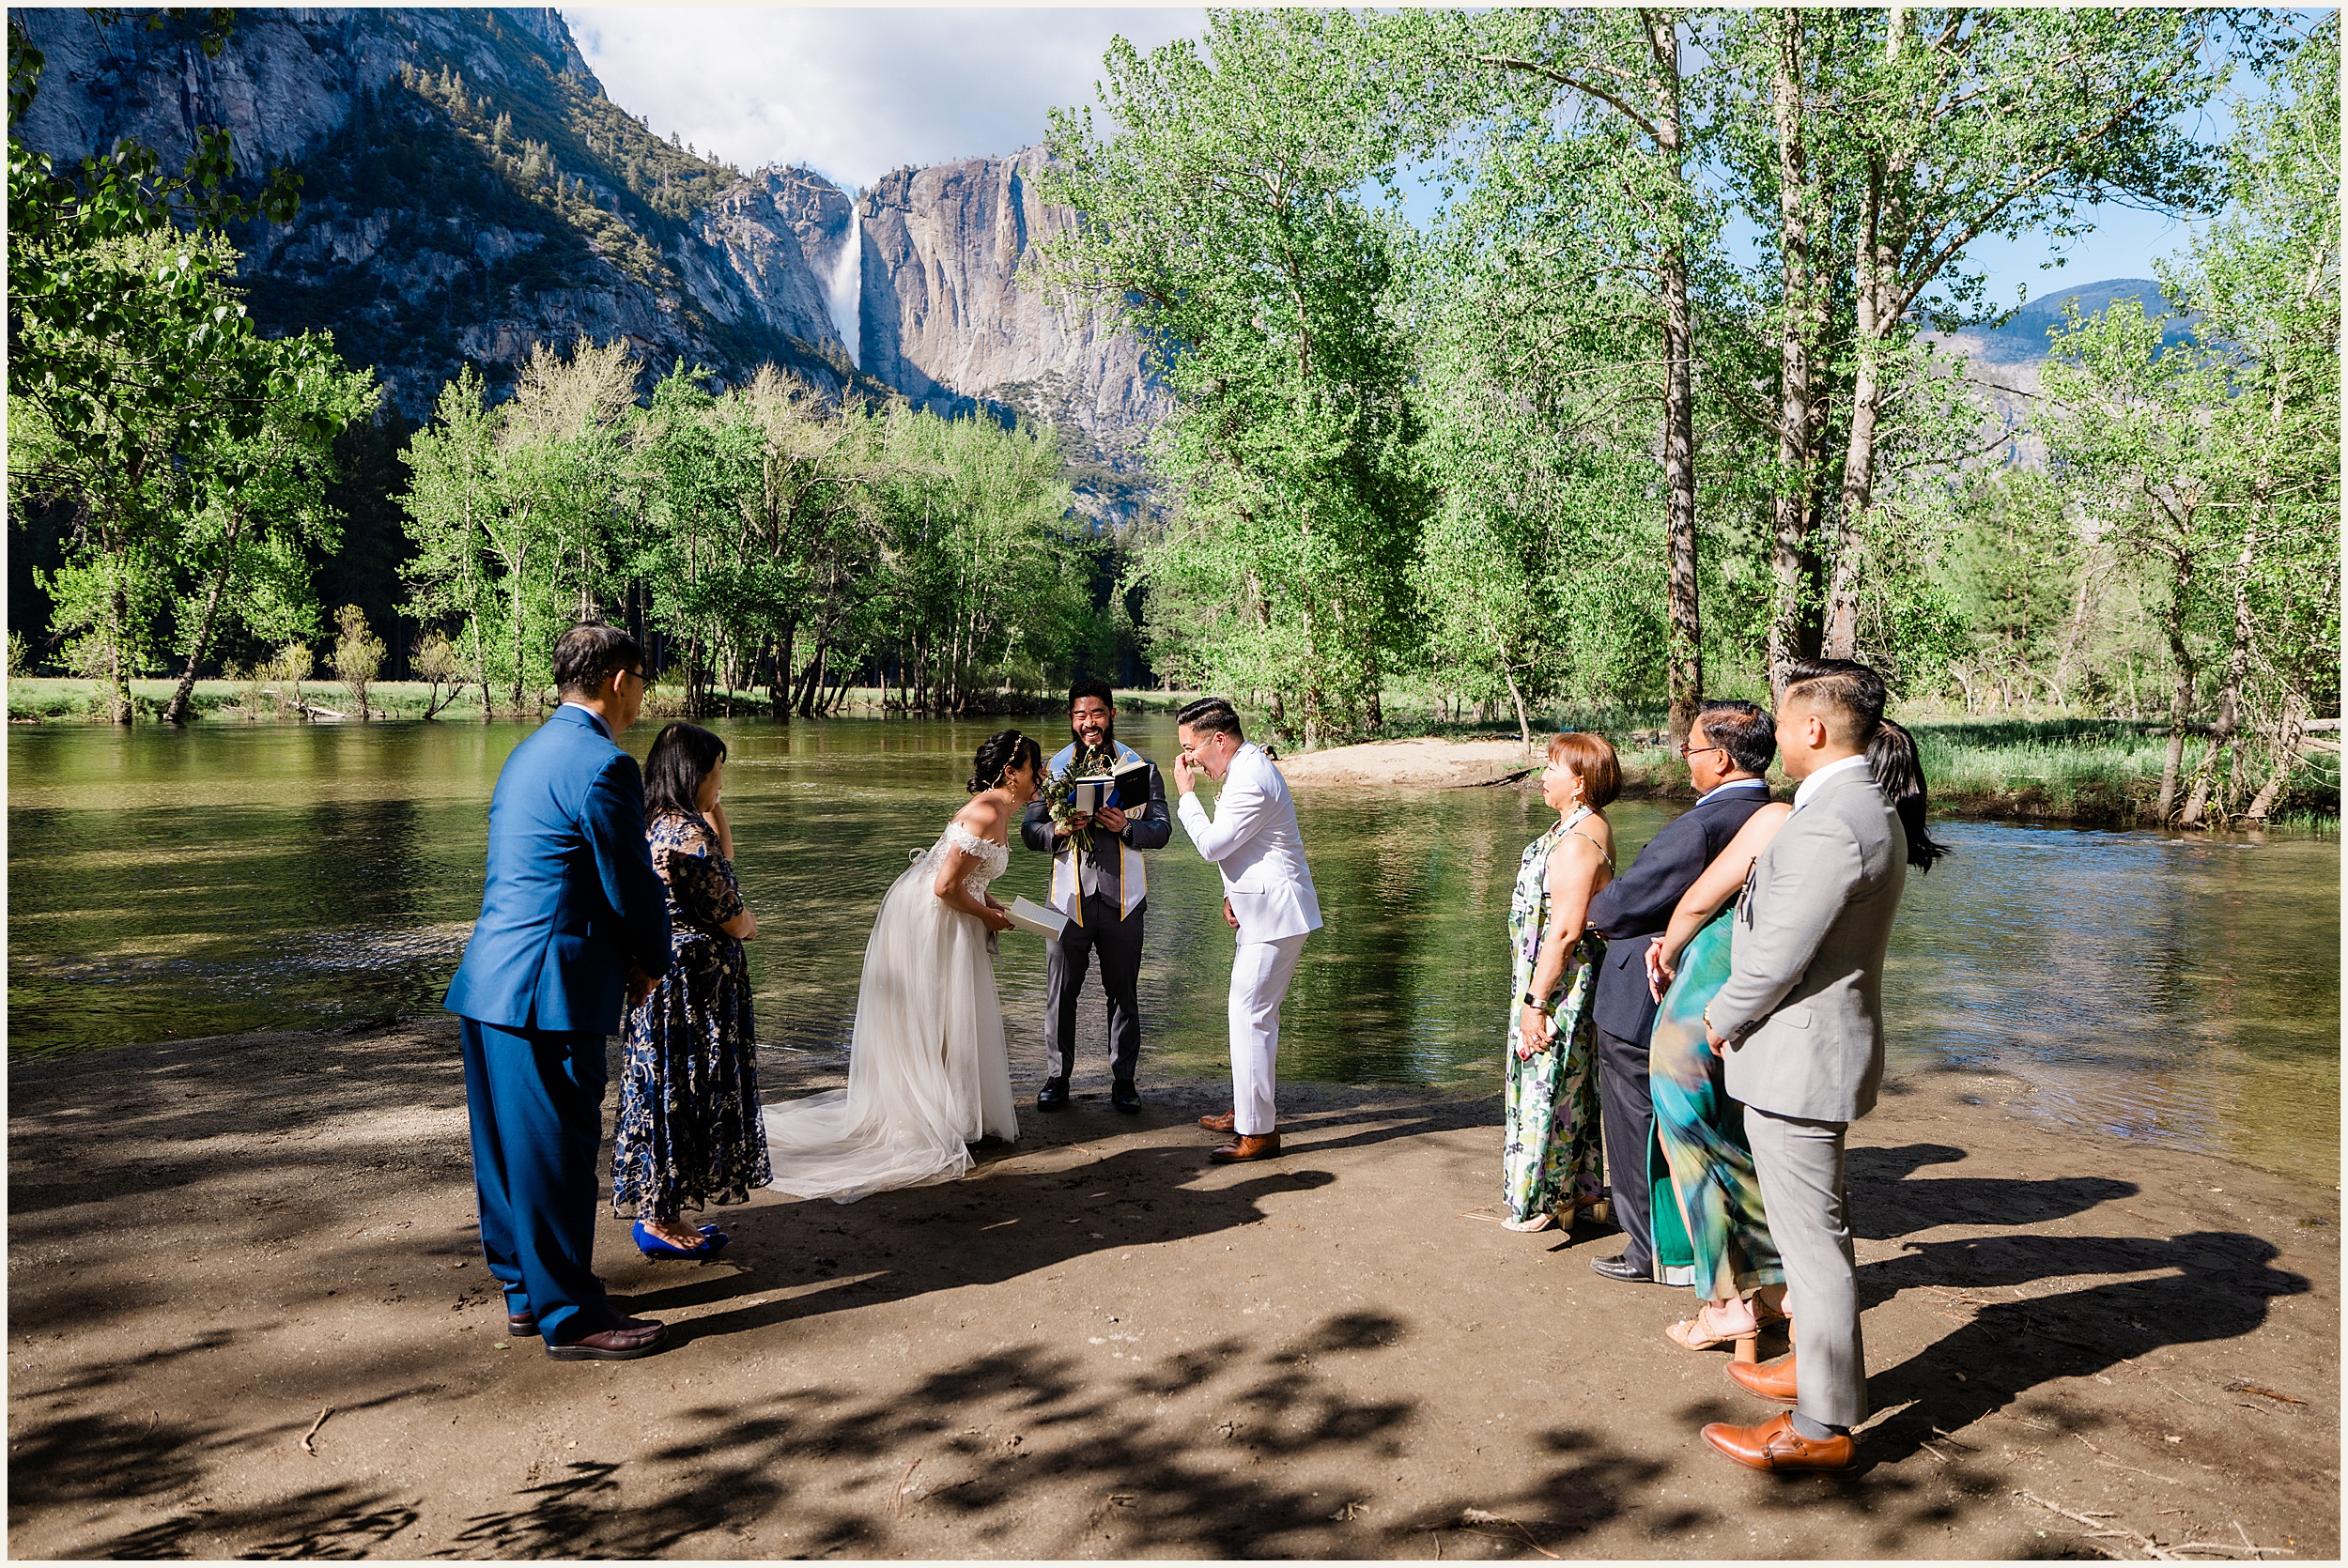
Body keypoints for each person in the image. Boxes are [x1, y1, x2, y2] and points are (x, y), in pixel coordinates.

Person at [1694, 662, 1940, 1475]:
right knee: (1813, 1233)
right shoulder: (1853, 804)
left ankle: (1821, 1426)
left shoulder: (1833, 820)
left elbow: (1775, 957)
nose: (1773, 731)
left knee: (1813, 1245)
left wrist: (1720, 1018)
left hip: (1799, 1057)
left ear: (1813, 729)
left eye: (1781, 717)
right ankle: (1813, 1367)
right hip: (1814, 1053)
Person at [1647, 717, 1948, 1366]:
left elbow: (1703, 903)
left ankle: (1727, 1305)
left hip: (1715, 998)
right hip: (1773, 1016)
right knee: (1742, 1148)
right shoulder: (1874, 819)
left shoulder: (1793, 819)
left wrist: (1668, 954)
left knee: (1694, 1148)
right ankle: (1772, 1294)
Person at [443, 623, 673, 1362]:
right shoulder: (604, 765)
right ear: (616, 680)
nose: (644, 694)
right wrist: (652, 961)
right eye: (643, 679)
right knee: (555, 1152)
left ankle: (525, 1293)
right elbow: (629, 884)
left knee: (506, 1155)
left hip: (490, 981)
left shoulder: (529, 751)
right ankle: (571, 1316)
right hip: (547, 990)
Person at [762, 730, 1041, 1201]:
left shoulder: (1000, 810)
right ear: (1012, 773)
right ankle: (926, 1117)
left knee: (954, 1017)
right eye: (1036, 768)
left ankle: (954, 1112)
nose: (1042, 777)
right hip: (931, 919)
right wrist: (986, 915)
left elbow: (969, 878)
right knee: (935, 1015)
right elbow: (944, 887)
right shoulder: (987, 811)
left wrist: (994, 904)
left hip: (953, 913)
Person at [1581, 701, 1778, 1282]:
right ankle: (1696, 1246)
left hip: (1645, 993)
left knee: (1635, 1122)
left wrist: (1591, 909)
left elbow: (1630, 899)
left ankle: (1649, 1250)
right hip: (1721, 990)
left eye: (1690, 750)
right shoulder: (1771, 813)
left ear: (1719, 760)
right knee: (1709, 1121)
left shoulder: (1702, 824)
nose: (1684, 760)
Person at [612, 721, 769, 1261]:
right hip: (693, 989)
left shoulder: (655, 821)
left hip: (665, 983)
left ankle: (663, 1209)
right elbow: (733, 916)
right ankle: (657, 1219)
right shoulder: (688, 839)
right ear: (694, 773)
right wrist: (749, 924)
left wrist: (713, 803)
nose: (721, 783)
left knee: (665, 1088)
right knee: (684, 1089)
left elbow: (722, 855)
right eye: (717, 772)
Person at [1171, 698, 1321, 1164]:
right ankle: (1247, 1111)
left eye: (1190, 748)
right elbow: (1251, 847)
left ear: (1218, 739)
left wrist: (1186, 796)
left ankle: (1257, 1133)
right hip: (1263, 908)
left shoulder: (1251, 776)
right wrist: (1231, 895)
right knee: (1250, 1014)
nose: (1187, 759)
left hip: (1276, 914)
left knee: (1250, 1016)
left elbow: (1214, 845)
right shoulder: (1243, 768)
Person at [1019, 680, 1172, 1114]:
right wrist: (1058, 830)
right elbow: (1030, 833)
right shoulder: (1049, 770)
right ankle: (1057, 1078)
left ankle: (1124, 1081)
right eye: (1081, 715)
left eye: (1098, 714)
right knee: (1060, 992)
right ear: (1071, 718)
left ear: (1112, 714)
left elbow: (1161, 831)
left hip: (1124, 900)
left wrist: (1125, 826)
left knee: (1123, 992)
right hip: (1067, 902)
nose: (1090, 723)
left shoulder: (1140, 767)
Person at [1498, 732, 1619, 1232]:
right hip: (1556, 977)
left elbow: (1566, 930)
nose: (1542, 776)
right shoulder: (1582, 826)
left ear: (1580, 781)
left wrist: (1535, 1001)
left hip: (1558, 982)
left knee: (1549, 1081)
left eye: (1552, 768)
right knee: (1569, 1084)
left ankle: (1545, 1200)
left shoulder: (1576, 842)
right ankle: (1577, 1192)